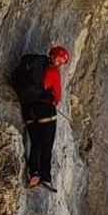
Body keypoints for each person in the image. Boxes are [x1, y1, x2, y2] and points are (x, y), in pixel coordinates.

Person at [12, 45, 70, 192]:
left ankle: (34, 174)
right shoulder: (53, 71)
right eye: (60, 61)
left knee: (35, 142)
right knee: (47, 144)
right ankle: (45, 177)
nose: (60, 64)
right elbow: (57, 96)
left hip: (28, 109)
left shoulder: (35, 67)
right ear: (56, 59)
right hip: (45, 109)